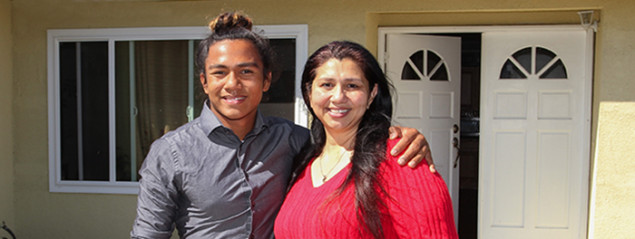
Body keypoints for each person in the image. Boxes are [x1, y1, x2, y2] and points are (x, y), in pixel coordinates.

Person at [130, 12, 433, 239]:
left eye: (246, 71)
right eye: (219, 73)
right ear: (204, 82)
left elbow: (344, 149)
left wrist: (404, 137)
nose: (232, 84)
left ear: (266, 80)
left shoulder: (293, 140)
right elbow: (148, 233)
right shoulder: (171, 153)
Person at [274, 41, 458, 238]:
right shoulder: (302, 162)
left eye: (352, 86)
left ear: (372, 94)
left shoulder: (400, 158)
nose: (338, 97)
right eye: (327, 85)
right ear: (309, 93)